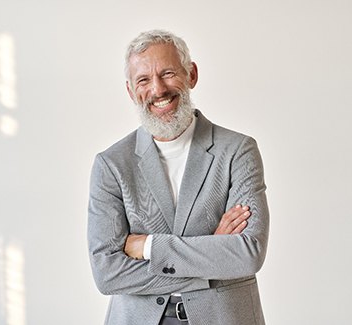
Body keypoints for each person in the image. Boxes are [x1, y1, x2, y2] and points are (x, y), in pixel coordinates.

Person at [88, 29, 269, 325]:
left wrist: (148, 247)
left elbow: (248, 253)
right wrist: (212, 254)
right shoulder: (111, 165)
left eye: (168, 73)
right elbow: (107, 274)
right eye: (143, 80)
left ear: (191, 74)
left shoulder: (238, 150)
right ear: (131, 91)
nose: (158, 90)